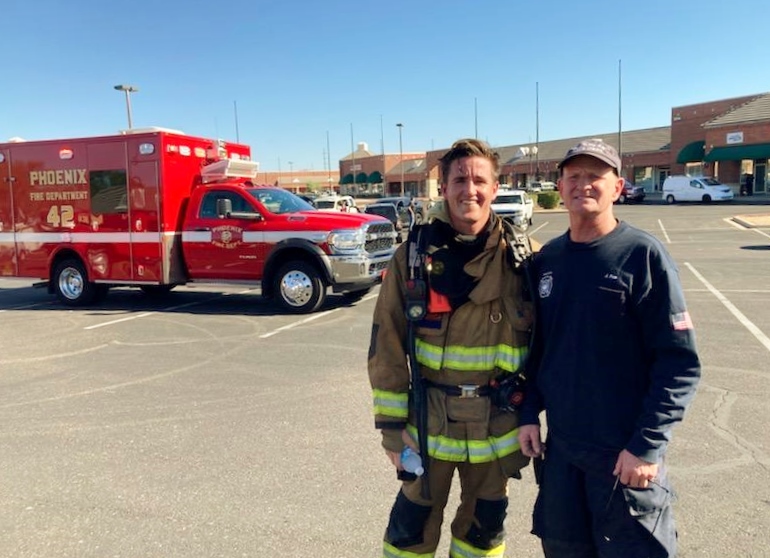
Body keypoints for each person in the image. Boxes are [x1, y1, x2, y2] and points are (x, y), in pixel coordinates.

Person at [518, 139, 701, 558]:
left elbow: (679, 363)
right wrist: (528, 413)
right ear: (560, 187)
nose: (583, 184)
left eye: (595, 176)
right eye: (573, 176)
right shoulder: (548, 260)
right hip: (562, 456)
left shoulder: (641, 255)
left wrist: (646, 446)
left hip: (624, 457)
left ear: (617, 187)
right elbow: (539, 350)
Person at [368, 138, 535, 557]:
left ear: (495, 188)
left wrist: (533, 415)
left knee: (482, 536)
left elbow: (553, 346)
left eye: (479, 180)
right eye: (459, 180)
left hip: (497, 427)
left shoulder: (523, 260)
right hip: (428, 428)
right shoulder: (411, 258)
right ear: (443, 187)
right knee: (409, 537)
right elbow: (386, 345)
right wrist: (392, 431)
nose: (469, 190)